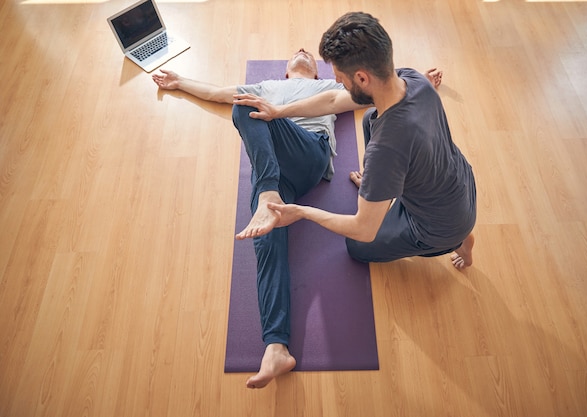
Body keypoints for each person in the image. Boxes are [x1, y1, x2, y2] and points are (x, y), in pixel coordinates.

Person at [152, 48, 443, 389]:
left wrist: (421, 82)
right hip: (272, 169)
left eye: (308, 54)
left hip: (306, 154)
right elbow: (218, 93)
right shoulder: (264, 85)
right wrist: (180, 81)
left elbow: (378, 93)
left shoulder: (326, 90)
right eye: (297, 52)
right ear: (286, 74)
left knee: (247, 106)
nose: (302, 52)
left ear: (317, 75)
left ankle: (267, 193)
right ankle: (276, 347)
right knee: (267, 245)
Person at [234, 12, 476, 273]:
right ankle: (384, 192)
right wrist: (278, 111)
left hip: (438, 224)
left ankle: (459, 242)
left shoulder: (385, 150)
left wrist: (302, 212)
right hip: (459, 181)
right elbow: (333, 101)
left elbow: (363, 228)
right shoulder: (413, 80)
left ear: (362, 78)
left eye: (340, 77)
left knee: (357, 247)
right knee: (370, 117)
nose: (337, 81)